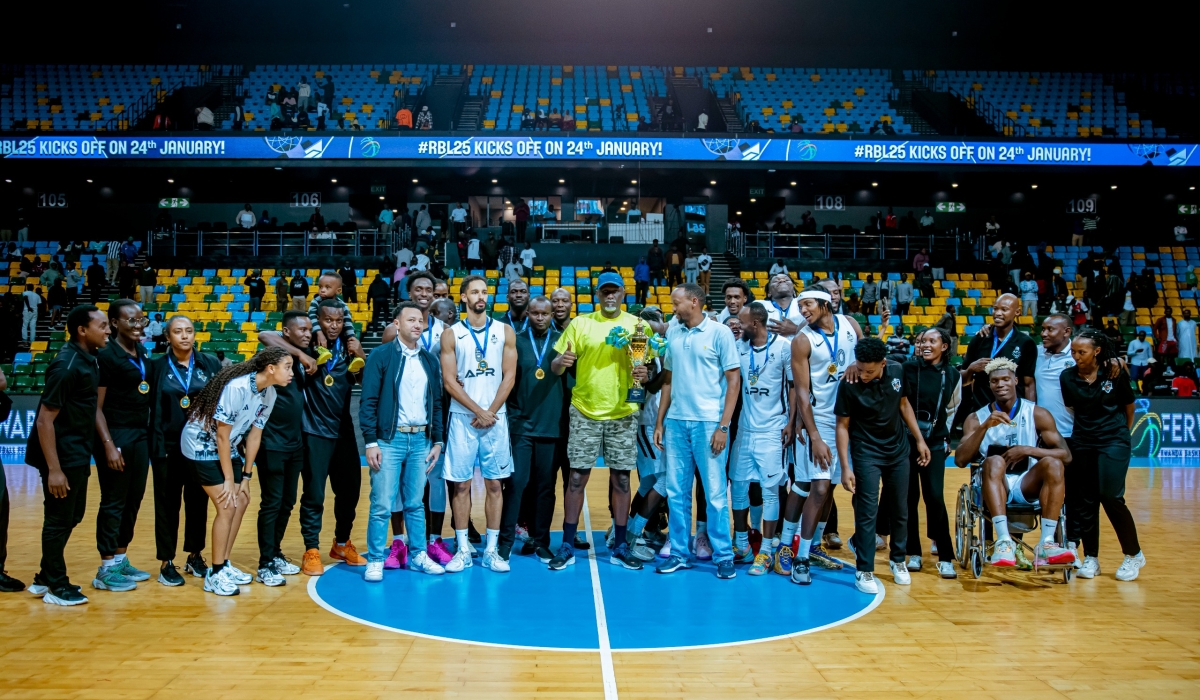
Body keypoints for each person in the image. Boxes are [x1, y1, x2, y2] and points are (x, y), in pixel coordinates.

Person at [549, 272, 656, 570]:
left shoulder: (638, 326)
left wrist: (646, 374)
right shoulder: (581, 324)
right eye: (604, 292)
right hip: (585, 410)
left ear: (623, 293)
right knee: (576, 478)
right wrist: (560, 363)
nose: (610, 296)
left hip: (623, 412)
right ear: (597, 294)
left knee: (622, 479)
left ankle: (621, 545)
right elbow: (556, 366)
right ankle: (568, 544)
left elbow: (647, 367)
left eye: (615, 291)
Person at [181, 347, 292, 596]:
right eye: (288, 366)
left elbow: (255, 436)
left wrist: (246, 476)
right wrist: (229, 480)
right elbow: (221, 434)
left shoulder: (269, 394)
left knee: (241, 499)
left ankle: (226, 562)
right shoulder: (237, 387)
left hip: (227, 444)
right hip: (200, 443)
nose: (291, 373)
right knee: (227, 504)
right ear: (270, 368)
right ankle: (215, 573)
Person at [654, 283, 741, 579]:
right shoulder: (674, 332)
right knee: (676, 491)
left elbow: (733, 382)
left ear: (694, 302)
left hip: (709, 423)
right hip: (676, 422)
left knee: (715, 493)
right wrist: (659, 421)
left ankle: (724, 554)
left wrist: (723, 426)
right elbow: (668, 379)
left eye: (676, 302)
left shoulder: (720, 333)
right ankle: (679, 552)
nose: (672, 307)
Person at [25, 306, 110, 605]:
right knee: (59, 519)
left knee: (73, 515)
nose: (108, 330)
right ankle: (56, 585)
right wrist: (54, 470)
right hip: (60, 456)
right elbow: (44, 419)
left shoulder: (90, 359)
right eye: (102, 326)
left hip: (76, 451)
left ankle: (45, 575)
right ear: (82, 330)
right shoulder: (66, 365)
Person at [834, 337, 931, 594]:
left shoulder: (897, 371)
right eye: (861, 368)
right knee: (867, 511)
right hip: (866, 451)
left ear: (884, 364)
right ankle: (864, 569)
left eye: (870, 370)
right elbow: (842, 426)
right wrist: (846, 466)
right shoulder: (849, 382)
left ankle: (898, 560)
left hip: (898, 450)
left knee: (901, 508)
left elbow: (904, 404)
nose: (864, 375)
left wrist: (919, 441)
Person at [957, 358, 1075, 568]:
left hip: (1025, 483)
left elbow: (1066, 456)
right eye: (995, 381)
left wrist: (1028, 450)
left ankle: (1046, 543)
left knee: (1054, 463)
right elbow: (960, 459)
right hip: (993, 483)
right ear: (989, 385)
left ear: (1015, 381)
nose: (1000, 384)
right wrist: (985, 427)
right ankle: (1004, 541)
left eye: (1005, 379)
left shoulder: (1037, 413)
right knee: (994, 461)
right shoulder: (977, 418)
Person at [360, 302, 447, 580]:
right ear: (396, 324)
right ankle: (375, 558)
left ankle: (419, 554)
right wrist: (371, 441)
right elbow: (368, 401)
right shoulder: (381, 355)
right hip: (389, 439)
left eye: (420, 321)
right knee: (382, 504)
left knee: (415, 503)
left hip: (421, 439)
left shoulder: (429, 360)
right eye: (410, 320)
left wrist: (437, 441)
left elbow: (436, 404)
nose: (417, 325)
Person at [783, 286, 866, 581]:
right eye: (800, 307)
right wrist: (815, 436)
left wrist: (857, 363)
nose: (803, 311)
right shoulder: (802, 340)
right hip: (821, 421)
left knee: (831, 487)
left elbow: (867, 357)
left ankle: (815, 545)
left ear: (824, 302)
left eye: (807, 305)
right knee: (816, 488)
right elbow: (802, 393)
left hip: (852, 417)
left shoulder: (850, 325)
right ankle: (800, 557)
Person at [439, 276, 517, 573]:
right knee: (460, 486)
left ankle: (492, 551)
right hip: (463, 419)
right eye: (474, 292)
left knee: (495, 484)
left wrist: (490, 412)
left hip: (495, 419)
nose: (481, 296)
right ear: (463, 297)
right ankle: (462, 550)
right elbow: (449, 381)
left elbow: (509, 377)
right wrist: (478, 411)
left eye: (484, 292)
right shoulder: (451, 335)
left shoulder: (504, 331)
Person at [289, 301, 367, 575]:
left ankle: (342, 544)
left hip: (344, 432)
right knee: (314, 495)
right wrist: (305, 356)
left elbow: (367, 385)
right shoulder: (308, 347)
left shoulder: (349, 351)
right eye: (327, 321)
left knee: (350, 492)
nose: (332, 326)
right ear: (317, 321)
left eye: (337, 321)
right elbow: (267, 335)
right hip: (314, 432)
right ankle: (311, 549)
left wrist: (362, 356)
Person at [1060, 329, 1145, 581]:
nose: (1076, 356)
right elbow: (1073, 407)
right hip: (1083, 441)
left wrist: (1122, 434)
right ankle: (1091, 558)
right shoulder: (1067, 377)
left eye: (1081, 352)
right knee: (1086, 499)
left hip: (1114, 441)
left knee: (1110, 496)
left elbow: (1129, 406)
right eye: (1073, 351)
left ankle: (1134, 554)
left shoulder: (1114, 372)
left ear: (1097, 351)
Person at [149, 316, 222, 585]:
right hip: (167, 448)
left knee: (198, 502)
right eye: (178, 332)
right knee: (167, 505)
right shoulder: (156, 366)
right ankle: (166, 561)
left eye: (189, 331)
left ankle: (195, 555)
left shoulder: (209, 363)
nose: (184, 336)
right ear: (167, 337)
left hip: (199, 447)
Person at [89, 300, 156, 592]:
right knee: (114, 500)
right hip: (116, 434)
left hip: (140, 434)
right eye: (130, 320)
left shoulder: (140, 351)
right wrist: (108, 445)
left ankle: (120, 557)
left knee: (134, 499)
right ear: (114, 323)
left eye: (140, 319)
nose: (137, 324)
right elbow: (96, 407)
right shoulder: (106, 354)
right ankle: (105, 569)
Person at [498, 296, 564, 562]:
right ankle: (505, 542)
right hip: (520, 425)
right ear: (527, 313)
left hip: (551, 425)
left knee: (546, 487)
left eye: (544, 314)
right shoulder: (514, 340)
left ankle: (541, 541)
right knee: (516, 484)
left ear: (551, 315)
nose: (540, 318)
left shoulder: (563, 341)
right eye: (535, 313)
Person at [729, 302, 792, 577]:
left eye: (741, 323)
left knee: (769, 491)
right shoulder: (739, 347)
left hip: (772, 430)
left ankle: (766, 550)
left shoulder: (784, 348)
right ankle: (742, 545)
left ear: (755, 323)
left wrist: (792, 423)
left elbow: (796, 387)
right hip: (745, 430)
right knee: (739, 486)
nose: (737, 327)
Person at [249, 312, 311, 587]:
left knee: (287, 503)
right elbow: (264, 334)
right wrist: (299, 353)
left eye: (310, 329)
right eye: (302, 329)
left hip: (295, 444)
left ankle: (274, 553)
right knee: (272, 504)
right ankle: (264, 564)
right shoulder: (274, 355)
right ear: (287, 332)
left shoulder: (298, 359)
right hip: (272, 445)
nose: (308, 333)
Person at [900, 327, 961, 577]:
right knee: (909, 498)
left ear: (944, 347)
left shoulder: (953, 374)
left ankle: (945, 556)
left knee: (934, 497)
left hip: (934, 443)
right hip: (906, 442)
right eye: (923, 340)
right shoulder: (906, 368)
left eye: (932, 341)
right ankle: (913, 552)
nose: (925, 344)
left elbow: (952, 409)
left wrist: (945, 437)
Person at [960, 294, 1037, 415]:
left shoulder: (1026, 343)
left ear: (1017, 312)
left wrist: (1029, 415)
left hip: (1012, 413)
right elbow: (962, 380)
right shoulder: (979, 339)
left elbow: (1028, 384)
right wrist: (971, 369)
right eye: (995, 308)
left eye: (1004, 309)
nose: (997, 313)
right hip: (981, 411)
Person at [306, 272, 367, 373]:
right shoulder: (315, 301)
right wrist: (319, 333)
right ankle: (320, 353)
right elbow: (311, 317)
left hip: (339, 337)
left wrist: (352, 337)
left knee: (350, 343)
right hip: (319, 333)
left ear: (338, 291)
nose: (322, 290)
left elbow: (348, 322)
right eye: (320, 286)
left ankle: (354, 360)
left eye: (327, 287)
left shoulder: (343, 305)